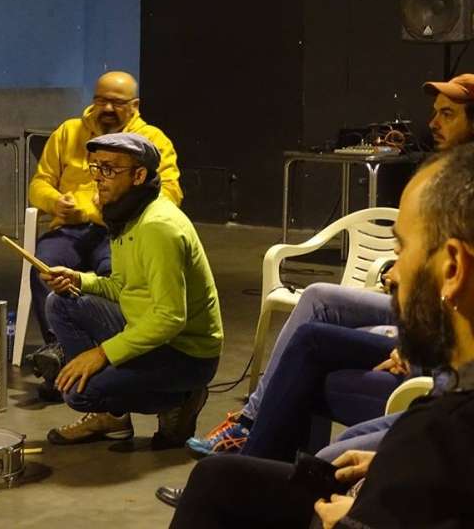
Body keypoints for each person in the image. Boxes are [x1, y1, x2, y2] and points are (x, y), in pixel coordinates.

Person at [169, 143, 474, 529]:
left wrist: (351, 520)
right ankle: (250, 430)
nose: (391, 275)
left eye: (402, 249)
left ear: (453, 268)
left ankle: (250, 429)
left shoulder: (438, 436)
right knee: (217, 478)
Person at [191, 72, 474, 456]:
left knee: (309, 359)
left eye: (448, 114)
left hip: (440, 325)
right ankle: (252, 426)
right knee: (319, 298)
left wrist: (415, 340)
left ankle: (258, 448)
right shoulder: (442, 171)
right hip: (425, 310)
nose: (433, 123)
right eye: (435, 112)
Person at [40, 133, 222, 449]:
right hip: (146, 327)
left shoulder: (157, 226)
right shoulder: (126, 213)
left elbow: (170, 318)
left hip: (186, 353)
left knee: (80, 394)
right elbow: (123, 286)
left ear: (138, 176)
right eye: (96, 167)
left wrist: (101, 354)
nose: (98, 177)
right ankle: (114, 418)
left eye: (109, 169)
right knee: (60, 302)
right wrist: (78, 280)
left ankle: (181, 397)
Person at [27, 71, 183, 400]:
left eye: (117, 102)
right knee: (46, 267)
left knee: (113, 274)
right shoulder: (68, 132)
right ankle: (59, 350)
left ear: (135, 105)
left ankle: (106, 355)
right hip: (68, 230)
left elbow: (169, 194)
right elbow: (39, 183)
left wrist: (99, 208)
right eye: (101, 100)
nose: (107, 108)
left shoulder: (151, 140)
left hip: (118, 231)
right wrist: (55, 201)